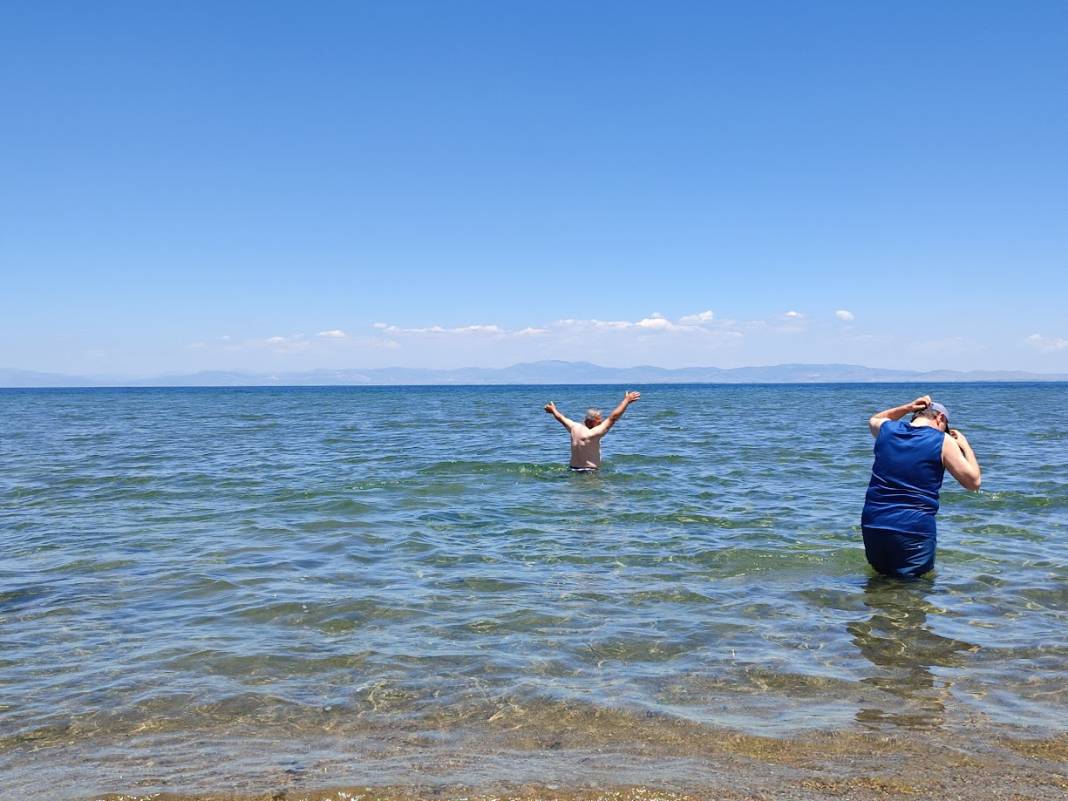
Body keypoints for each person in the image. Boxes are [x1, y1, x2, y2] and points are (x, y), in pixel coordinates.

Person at [861, 395, 981, 578]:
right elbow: (973, 482)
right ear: (940, 418)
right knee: (913, 590)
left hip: (874, 523)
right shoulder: (942, 440)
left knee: (880, 581)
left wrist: (908, 407)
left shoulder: (888, 430)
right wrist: (965, 446)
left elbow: (874, 419)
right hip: (912, 527)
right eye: (945, 427)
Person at [544, 391, 641, 471]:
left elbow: (560, 417)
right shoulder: (594, 433)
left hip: (573, 470)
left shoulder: (574, 427)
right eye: (598, 422)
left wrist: (553, 410)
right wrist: (626, 401)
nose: (601, 423)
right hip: (589, 472)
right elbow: (613, 417)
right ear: (590, 422)